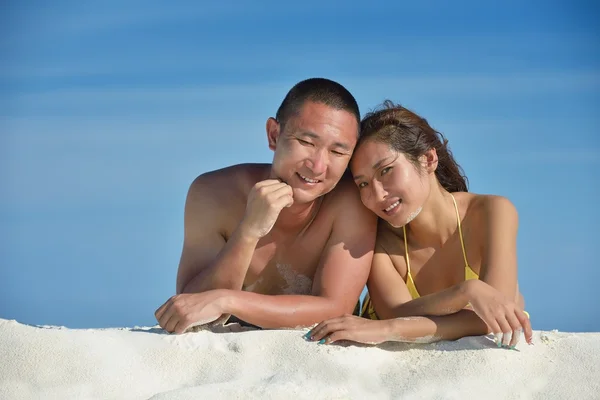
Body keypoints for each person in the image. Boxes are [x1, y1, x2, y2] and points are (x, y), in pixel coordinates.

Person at [154, 78, 377, 334]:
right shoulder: (213, 194)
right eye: (306, 142)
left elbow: (336, 309)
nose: (318, 166)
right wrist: (248, 231)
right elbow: (190, 308)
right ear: (274, 134)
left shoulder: (350, 202)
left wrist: (226, 300)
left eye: (337, 153)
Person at [305, 100, 533, 349]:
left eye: (386, 171)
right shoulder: (379, 239)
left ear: (428, 159)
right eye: (363, 184)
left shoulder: (491, 212)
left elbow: (495, 315)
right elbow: (396, 313)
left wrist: (390, 328)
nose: (377, 194)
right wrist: (467, 293)